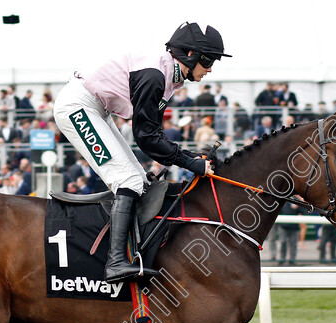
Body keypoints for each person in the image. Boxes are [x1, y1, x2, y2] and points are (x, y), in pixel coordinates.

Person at [54, 22, 228, 282]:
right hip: (78, 106)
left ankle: (131, 251)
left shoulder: (168, 75)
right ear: (190, 55)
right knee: (129, 180)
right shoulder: (155, 76)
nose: (211, 68)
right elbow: (147, 139)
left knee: (139, 178)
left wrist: (190, 157)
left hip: (96, 108)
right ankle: (114, 263)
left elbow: (154, 136)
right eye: (209, 61)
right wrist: (189, 163)